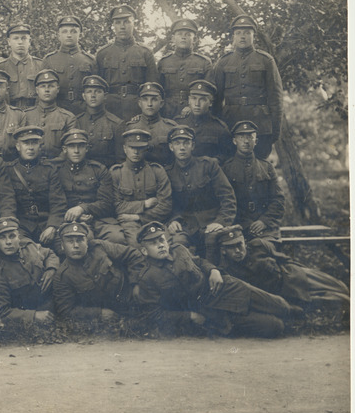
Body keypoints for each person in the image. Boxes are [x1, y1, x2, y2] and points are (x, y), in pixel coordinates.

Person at [130, 221, 296, 338]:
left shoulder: (179, 250)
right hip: (209, 312)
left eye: (161, 240)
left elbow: (199, 262)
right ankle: (294, 323)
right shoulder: (147, 278)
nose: (160, 245)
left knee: (282, 306)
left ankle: (304, 316)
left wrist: (214, 270)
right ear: (144, 251)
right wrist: (190, 317)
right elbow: (154, 314)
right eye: (153, 243)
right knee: (275, 327)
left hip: (225, 289)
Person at [217, 225, 350, 309]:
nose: (238, 251)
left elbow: (283, 258)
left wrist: (301, 270)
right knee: (342, 301)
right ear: (223, 251)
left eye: (239, 245)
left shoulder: (258, 245)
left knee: (341, 287)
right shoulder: (230, 271)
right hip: (286, 293)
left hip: (296, 275)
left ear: (244, 243)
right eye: (231, 248)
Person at [212, 14, 283, 159]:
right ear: (233, 36)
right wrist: (218, 127)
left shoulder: (266, 60)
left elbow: (275, 98)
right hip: (230, 122)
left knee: (259, 166)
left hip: (260, 124)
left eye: (247, 32)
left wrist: (274, 129)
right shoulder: (224, 62)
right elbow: (215, 100)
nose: (242, 36)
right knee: (231, 165)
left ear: (254, 36)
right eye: (238, 33)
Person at [164, 125, 236, 258]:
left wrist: (220, 222)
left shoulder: (209, 165)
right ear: (171, 147)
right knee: (177, 245)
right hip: (184, 224)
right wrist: (172, 221)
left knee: (213, 242)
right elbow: (166, 203)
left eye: (186, 143)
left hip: (211, 221)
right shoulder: (167, 173)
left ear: (193, 145)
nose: (182, 147)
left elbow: (228, 197)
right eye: (177, 143)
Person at [53, 221, 143, 323]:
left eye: (80, 240)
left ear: (86, 242)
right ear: (62, 246)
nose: (76, 245)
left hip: (132, 293)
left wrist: (136, 283)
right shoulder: (62, 276)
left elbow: (133, 254)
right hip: (114, 311)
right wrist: (98, 313)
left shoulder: (100, 247)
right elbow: (66, 311)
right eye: (70, 241)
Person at [50, 129, 121, 243]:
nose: (76, 151)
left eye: (81, 146)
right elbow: (54, 203)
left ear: (87, 148)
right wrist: (74, 216)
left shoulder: (99, 169)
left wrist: (83, 208)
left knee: (117, 238)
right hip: (68, 220)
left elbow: (107, 203)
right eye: (72, 146)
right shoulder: (56, 170)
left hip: (99, 219)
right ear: (64, 149)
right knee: (81, 240)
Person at [2, 126, 67, 246]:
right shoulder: (9, 170)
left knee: (65, 246)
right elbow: (7, 202)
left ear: (40, 146)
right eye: (26, 143)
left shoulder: (49, 170)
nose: (31, 147)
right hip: (21, 224)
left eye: (34, 143)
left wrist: (52, 226)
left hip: (45, 223)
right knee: (23, 248)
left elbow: (58, 202)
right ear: (18, 146)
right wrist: (12, 226)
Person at [221, 121, 284, 241]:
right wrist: (244, 224)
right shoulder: (226, 169)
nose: (246, 141)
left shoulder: (267, 167)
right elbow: (224, 202)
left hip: (266, 228)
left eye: (250, 137)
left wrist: (264, 221)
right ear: (235, 141)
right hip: (238, 226)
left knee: (262, 248)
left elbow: (278, 200)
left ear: (256, 141)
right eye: (241, 137)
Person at [109, 129, 172, 246]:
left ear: (146, 149)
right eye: (132, 147)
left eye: (140, 148)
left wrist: (137, 217)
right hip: (129, 225)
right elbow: (115, 206)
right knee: (136, 246)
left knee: (166, 246)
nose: (136, 152)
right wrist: (144, 204)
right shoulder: (116, 173)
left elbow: (165, 205)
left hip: (155, 221)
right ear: (125, 149)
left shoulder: (157, 171)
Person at [96, 4, 157, 121]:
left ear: (134, 23)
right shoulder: (103, 53)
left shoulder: (145, 52)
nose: (122, 26)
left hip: (137, 109)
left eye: (126, 22)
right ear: (113, 25)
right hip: (110, 108)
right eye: (118, 23)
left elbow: (153, 87)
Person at [0, 216, 58, 325]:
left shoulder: (29, 246)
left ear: (18, 237)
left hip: (52, 300)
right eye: (2, 238)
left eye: (12, 236)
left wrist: (51, 269)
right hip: (32, 309)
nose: (8, 242)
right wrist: (34, 316)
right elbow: (3, 311)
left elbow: (49, 254)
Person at [157, 19, 212, 119]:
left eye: (188, 34)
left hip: (194, 112)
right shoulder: (164, 62)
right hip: (167, 112)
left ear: (194, 39)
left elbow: (209, 93)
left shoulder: (204, 62)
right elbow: (158, 90)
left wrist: (191, 107)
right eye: (180, 34)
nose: (183, 37)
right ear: (173, 38)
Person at [42, 15, 97, 115]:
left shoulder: (89, 60)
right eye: (65, 31)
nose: (69, 35)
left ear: (80, 34)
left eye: (73, 31)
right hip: (57, 109)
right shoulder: (49, 59)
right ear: (58, 35)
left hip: (83, 110)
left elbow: (97, 88)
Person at [173, 79, 234, 162]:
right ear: (189, 100)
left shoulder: (219, 128)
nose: (197, 104)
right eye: (194, 98)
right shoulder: (178, 123)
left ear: (210, 103)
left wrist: (215, 161)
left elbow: (228, 155)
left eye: (202, 99)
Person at [23, 68, 77, 159]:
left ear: (58, 89)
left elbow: (70, 147)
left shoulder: (68, 117)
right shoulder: (25, 115)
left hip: (58, 166)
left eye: (51, 86)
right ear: (37, 90)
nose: (47, 90)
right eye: (43, 86)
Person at [74, 75, 124, 167]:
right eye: (89, 92)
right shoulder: (77, 121)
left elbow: (120, 160)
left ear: (105, 96)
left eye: (98, 92)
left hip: (107, 174)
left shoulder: (116, 124)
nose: (93, 95)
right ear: (84, 96)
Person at [124, 82, 178, 166]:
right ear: (139, 103)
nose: (149, 104)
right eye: (145, 99)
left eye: (154, 99)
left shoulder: (170, 127)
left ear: (161, 103)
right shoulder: (131, 127)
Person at [0, 23, 43, 109]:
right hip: (9, 113)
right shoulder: (0, 68)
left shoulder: (40, 65)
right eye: (16, 38)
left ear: (29, 42)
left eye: (24, 38)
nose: (20, 42)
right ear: (9, 42)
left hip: (35, 111)